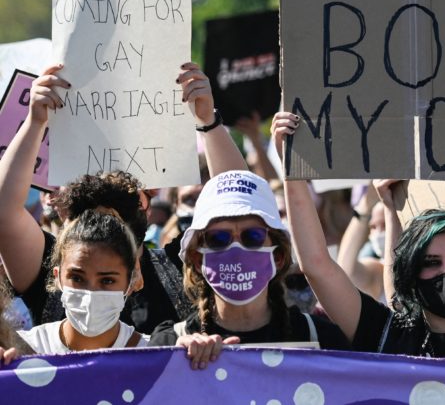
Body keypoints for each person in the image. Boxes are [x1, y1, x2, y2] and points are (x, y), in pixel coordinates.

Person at [0, 62, 248, 334]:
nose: (105, 229)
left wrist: (208, 122)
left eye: (125, 205)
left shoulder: (180, 266)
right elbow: (4, 212)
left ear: (146, 204)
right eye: (90, 215)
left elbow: (238, 208)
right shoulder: (46, 265)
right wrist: (36, 123)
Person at [273, 113, 445, 368]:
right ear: (411, 274)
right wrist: (293, 169)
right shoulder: (384, 333)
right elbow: (317, 265)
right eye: (431, 262)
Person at [148, 169, 350, 365]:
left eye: (253, 236)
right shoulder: (170, 342)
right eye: (219, 238)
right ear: (198, 259)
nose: (236, 249)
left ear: (278, 257)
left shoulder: (322, 338)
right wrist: (171, 361)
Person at [17, 209, 148, 353]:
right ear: (58, 276)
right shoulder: (26, 349)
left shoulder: (154, 355)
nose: (90, 294)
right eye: (77, 278)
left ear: (130, 283)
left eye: (107, 280)